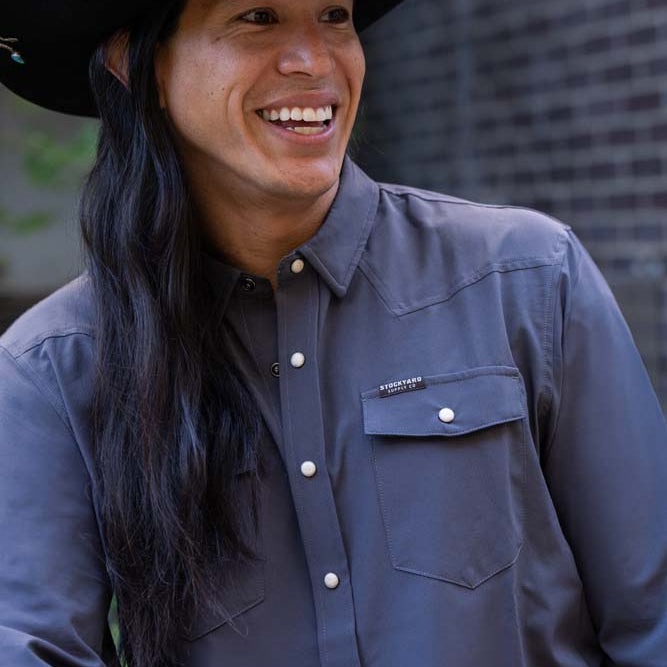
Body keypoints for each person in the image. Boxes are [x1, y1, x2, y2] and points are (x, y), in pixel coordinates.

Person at [1, 1, 666, 666]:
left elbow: (652, 617)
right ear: (133, 67)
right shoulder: (53, 371)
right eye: (257, 16)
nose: (313, 60)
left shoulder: (525, 278)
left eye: (333, 15)